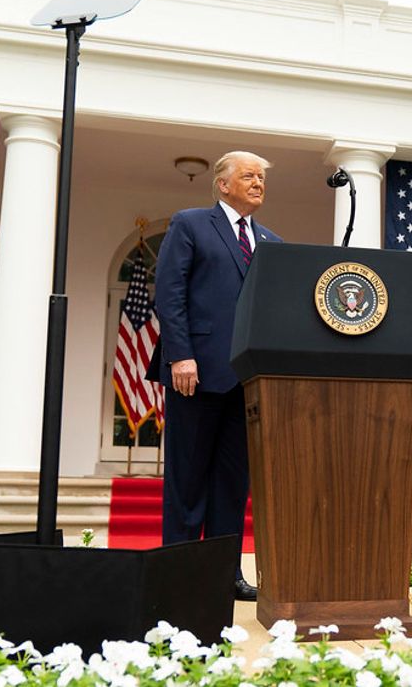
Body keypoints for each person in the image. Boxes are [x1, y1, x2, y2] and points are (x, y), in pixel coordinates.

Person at [154, 151, 281, 601]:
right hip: (197, 373)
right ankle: (181, 573)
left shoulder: (271, 241)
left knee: (232, 483)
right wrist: (180, 355)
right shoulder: (190, 224)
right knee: (187, 480)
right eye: (249, 176)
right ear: (223, 184)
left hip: (247, 383)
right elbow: (169, 294)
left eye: (262, 178)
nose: (258, 183)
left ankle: (226, 574)